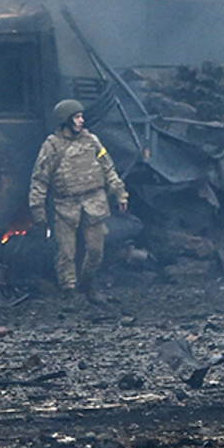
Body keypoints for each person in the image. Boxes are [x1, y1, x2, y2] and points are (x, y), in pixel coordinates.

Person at [27, 99, 128, 303]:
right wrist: (38, 210)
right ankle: (69, 292)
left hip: (94, 203)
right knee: (66, 253)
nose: (81, 121)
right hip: (66, 206)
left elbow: (108, 168)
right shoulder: (52, 146)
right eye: (77, 117)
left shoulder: (91, 141)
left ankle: (88, 285)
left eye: (81, 116)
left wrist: (120, 194)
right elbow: (40, 179)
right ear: (66, 120)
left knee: (95, 250)